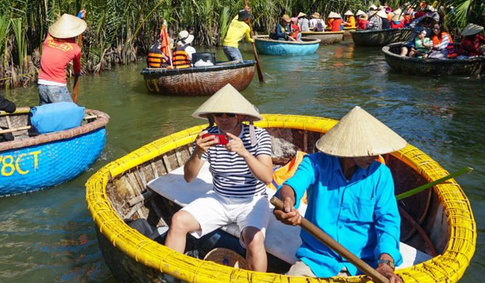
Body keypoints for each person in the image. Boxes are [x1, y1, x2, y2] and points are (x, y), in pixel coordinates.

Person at [273, 106, 405, 282]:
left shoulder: (381, 175)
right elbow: (292, 186)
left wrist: (385, 264)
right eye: (370, 151)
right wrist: (288, 201)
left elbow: (388, 223)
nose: (376, 156)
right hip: (316, 261)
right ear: (350, 148)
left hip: (363, 265)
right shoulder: (315, 164)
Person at [165, 84, 273, 272]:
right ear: (212, 117)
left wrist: (245, 153)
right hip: (220, 198)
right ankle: (167, 274)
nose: (223, 119)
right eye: (218, 114)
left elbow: (267, 177)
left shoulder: (258, 136)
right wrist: (197, 153)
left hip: (252, 200)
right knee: (178, 221)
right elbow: (189, 177)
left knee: (255, 240)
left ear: (240, 116)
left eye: (229, 114)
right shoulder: (208, 137)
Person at [37, 13, 87, 105]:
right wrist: (78, 73)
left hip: (41, 85)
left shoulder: (48, 39)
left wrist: (78, 17)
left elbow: (61, 29)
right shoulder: (75, 49)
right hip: (57, 87)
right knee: (69, 113)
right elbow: (77, 69)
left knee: (47, 115)